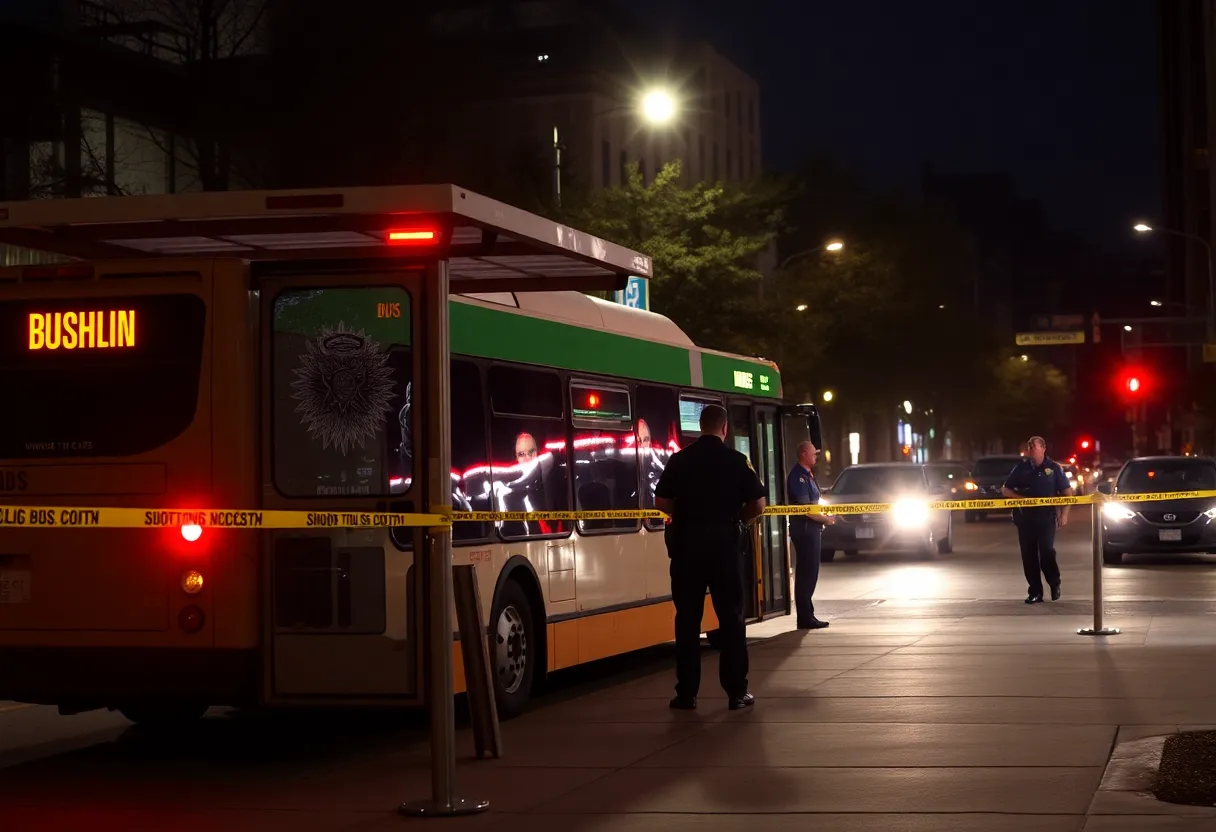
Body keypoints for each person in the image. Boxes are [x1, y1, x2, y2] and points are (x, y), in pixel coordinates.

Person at [655, 404, 767, 711]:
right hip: (724, 547)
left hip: (687, 548)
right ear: (725, 428)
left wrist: (686, 515)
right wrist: (737, 519)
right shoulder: (736, 460)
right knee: (731, 618)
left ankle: (686, 693)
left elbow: (661, 500)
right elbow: (759, 505)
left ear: (700, 426)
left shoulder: (680, 460)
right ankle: (736, 692)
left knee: (687, 620)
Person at [1002, 436, 1074, 603]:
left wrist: (1064, 514)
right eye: (1029, 447)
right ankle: (1035, 592)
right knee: (1029, 556)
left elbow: (1068, 493)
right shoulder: (1021, 468)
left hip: (1046, 517)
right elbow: (1006, 490)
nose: (1031, 450)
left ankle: (1054, 582)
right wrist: (1020, 499)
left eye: (1034, 447)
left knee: (1047, 551)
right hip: (1025, 518)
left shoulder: (1054, 468)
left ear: (1043, 448)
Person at [786, 441, 836, 629]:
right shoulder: (798, 477)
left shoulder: (808, 475)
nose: (816, 457)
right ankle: (805, 618)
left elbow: (815, 502)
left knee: (810, 573)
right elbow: (806, 508)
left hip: (812, 530)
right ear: (803, 455)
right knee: (806, 574)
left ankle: (808, 615)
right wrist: (826, 519)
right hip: (806, 530)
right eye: (813, 454)